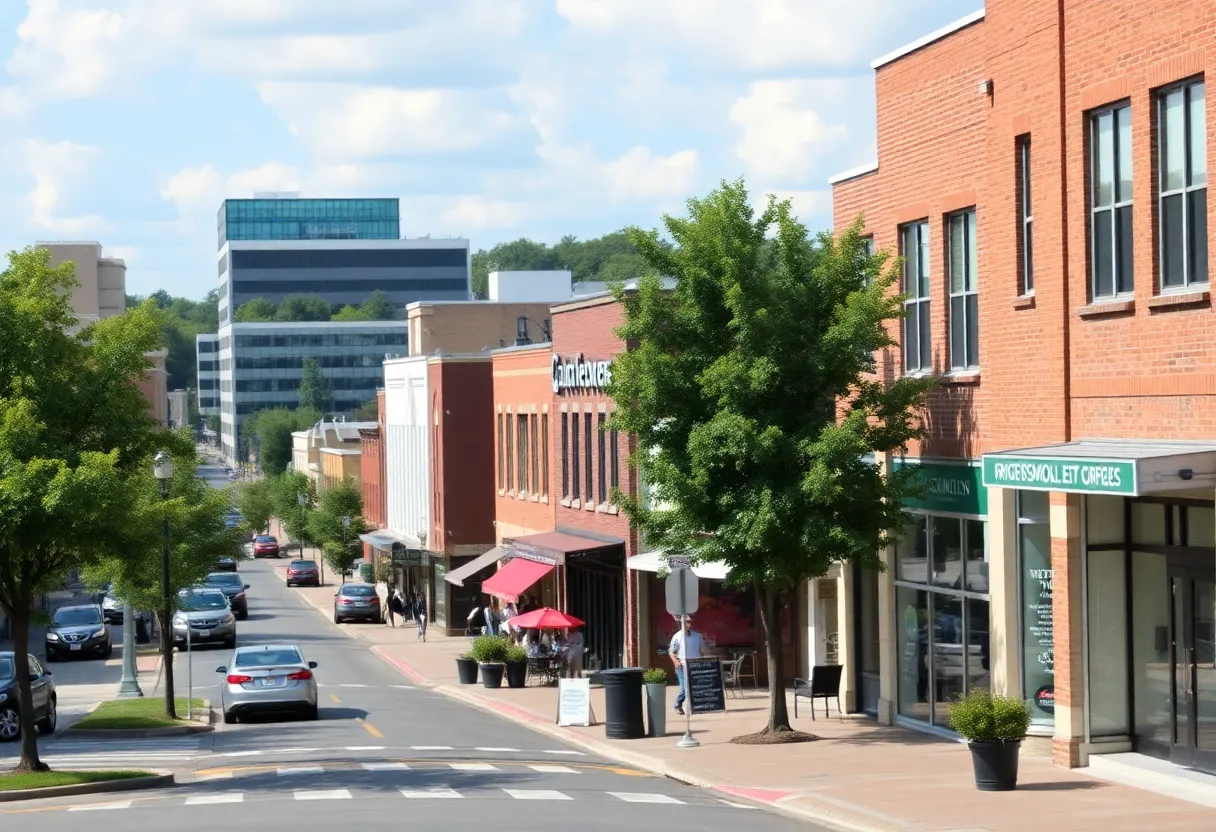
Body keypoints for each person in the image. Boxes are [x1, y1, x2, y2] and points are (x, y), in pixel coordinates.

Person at [668, 615, 703, 716]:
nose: (688, 623)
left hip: (694, 665)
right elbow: (671, 651)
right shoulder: (677, 636)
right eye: (686, 622)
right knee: (685, 687)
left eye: (689, 621)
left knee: (693, 686)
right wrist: (676, 661)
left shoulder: (697, 636)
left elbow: (703, 649)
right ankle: (677, 704)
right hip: (682, 665)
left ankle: (694, 705)